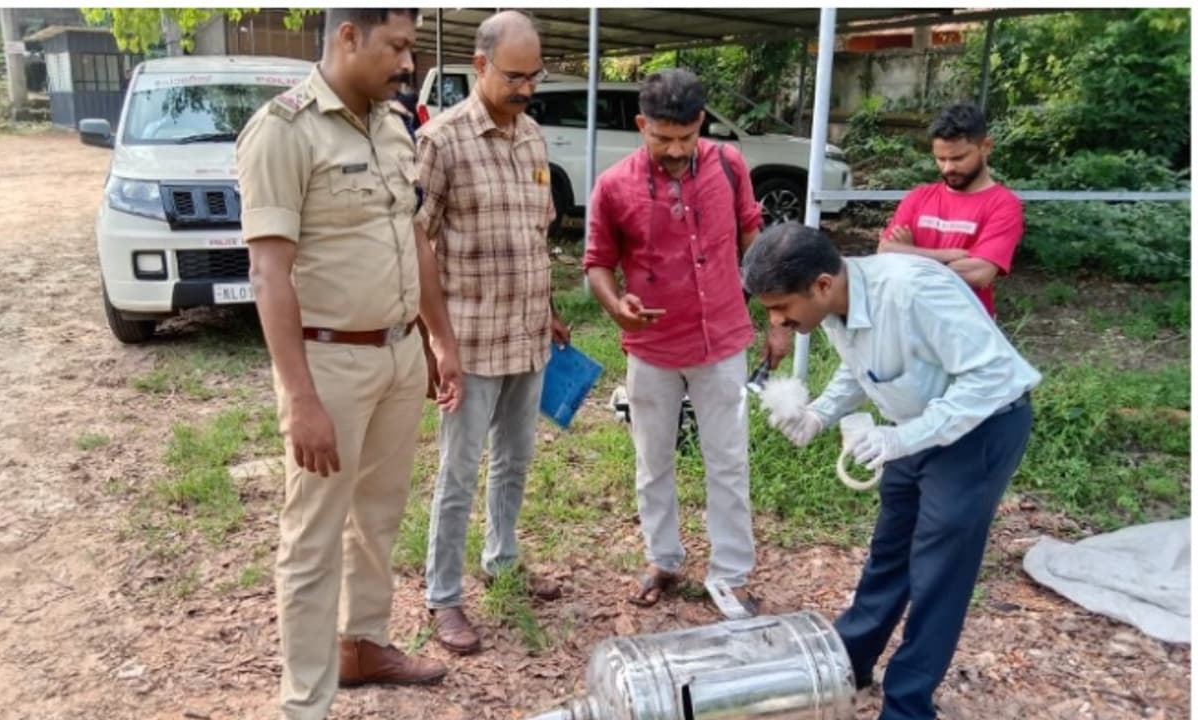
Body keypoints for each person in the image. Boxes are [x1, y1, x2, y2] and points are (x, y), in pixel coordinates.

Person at [236, 9, 464, 719]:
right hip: (329, 366)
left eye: (410, 48)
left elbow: (414, 240)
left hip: (398, 356)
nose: (406, 63)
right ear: (347, 37)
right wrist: (300, 398)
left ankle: (364, 644)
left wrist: (439, 338)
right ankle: (305, 701)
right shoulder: (284, 130)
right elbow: (270, 274)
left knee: (379, 515)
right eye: (396, 47)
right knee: (313, 535)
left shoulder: (392, 124)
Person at [742, 222, 1041, 720]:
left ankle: (907, 704)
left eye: (781, 308)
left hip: (982, 427)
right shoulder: (836, 304)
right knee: (891, 549)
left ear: (820, 284)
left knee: (937, 572)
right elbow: (863, 367)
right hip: (916, 427)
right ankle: (848, 663)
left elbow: (991, 377)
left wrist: (902, 438)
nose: (777, 321)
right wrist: (819, 414)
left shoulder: (913, 292)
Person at [582, 68, 793, 615]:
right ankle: (664, 559)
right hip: (651, 349)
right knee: (653, 463)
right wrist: (615, 306)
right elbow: (598, 263)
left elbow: (755, 240)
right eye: (662, 138)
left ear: (701, 122)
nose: (675, 151)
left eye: (685, 137)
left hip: (721, 340)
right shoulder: (613, 186)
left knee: (728, 461)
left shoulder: (729, 165)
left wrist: (777, 318)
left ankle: (731, 574)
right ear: (641, 125)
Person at [414, 10, 570, 656]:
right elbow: (417, 245)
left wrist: (551, 306)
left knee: (516, 459)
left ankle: (502, 559)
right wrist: (436, 341)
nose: (527, 87)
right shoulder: (442, 141)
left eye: (534, 75)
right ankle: (442, 595)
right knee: (459, 469)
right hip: (471, 343)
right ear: (479, 67)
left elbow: (535, 235)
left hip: (528, 337)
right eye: (514, 76)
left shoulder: (533, 138)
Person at [878, 103, 1023, 317]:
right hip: (911, 324)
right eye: (941, 159)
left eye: (958, 158)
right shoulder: (918, 197)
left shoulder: (1003, 204)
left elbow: (979, 273)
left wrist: (908, 254)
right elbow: (884, 253)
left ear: (986, 146)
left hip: (967, 331)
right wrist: (948, 255)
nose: (948, 168)